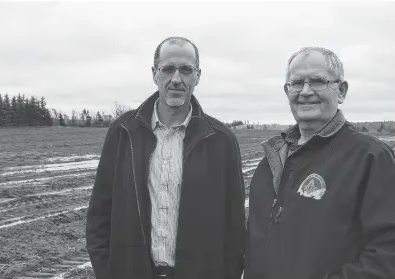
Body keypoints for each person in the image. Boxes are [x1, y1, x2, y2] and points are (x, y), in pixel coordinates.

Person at [86, 36, 246, 279]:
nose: (176, 79)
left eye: (186, 70)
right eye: (168, 69)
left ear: (198, 76)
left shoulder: (221, 139)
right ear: (154, 73)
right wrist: (107, 272)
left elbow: (234, 227)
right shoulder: (123, 131)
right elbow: (99, 214)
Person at [244, 46, 395, 279]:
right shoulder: (271, 160)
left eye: (317, 81)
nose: (305, 91)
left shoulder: (370, 157)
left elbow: (386, 255)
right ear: (287, 91)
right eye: (296, 83)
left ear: (341, 91)